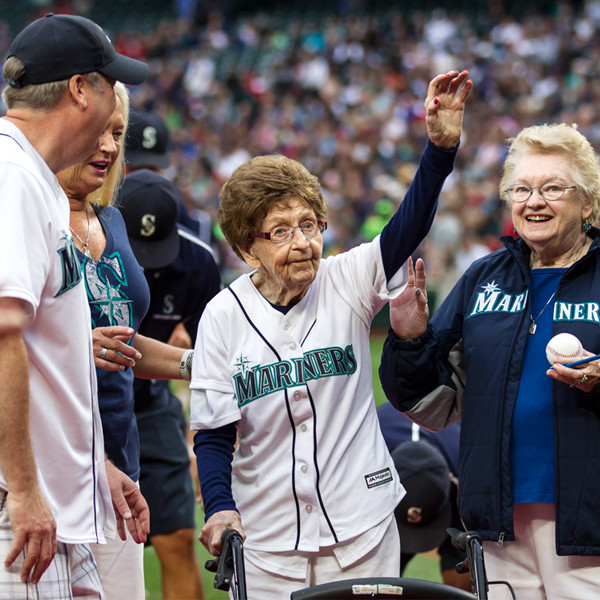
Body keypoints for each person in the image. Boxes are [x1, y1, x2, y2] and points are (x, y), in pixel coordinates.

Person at [189, 69, 472, 598]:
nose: (301, 242)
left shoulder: (345, 279)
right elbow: (213, 432)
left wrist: (440, 151)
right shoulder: (222, 316)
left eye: (308, 224)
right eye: (279, 231)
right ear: (246, 249)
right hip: (266, 540)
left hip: (363, 528)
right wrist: (220, 505)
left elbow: (408, 225)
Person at [379, 123, 600, 600]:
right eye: (521, 189)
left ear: (587, 202)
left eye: (552, 188)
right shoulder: (484, 279)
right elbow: (425, 402)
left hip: (591, 523)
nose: (533, 201)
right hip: (498, 521)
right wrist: (411, 339)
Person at [0, 12, 148, 598]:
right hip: (25, 509)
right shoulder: (12, 176)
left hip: (54, 498)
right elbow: (4, 337)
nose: (116, 101)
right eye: (109, 82)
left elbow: (43, 355)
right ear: (79, 89)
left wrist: (96, 467)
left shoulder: (28, 174)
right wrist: (24, 487)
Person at [56, 85, 200, 600]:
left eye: (117, 132)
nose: (110, 146)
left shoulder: (111, 219)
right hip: (52, 470)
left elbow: (124, 341)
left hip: (119, 466)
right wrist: (72, 344)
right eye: (99, 130)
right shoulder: (26, 215)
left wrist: (195, 363)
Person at [117, 168, 222, 600]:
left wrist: (204, 437)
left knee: (177, 536)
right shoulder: (86, 250)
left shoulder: (198, 264)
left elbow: (209, 363)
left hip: (152, 403)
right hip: (84, 404)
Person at [376, 403, 469, 591]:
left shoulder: (466, 467)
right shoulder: (369, 452)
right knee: (376, 582)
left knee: (465, 581)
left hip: (453, 493)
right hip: (385, 500)